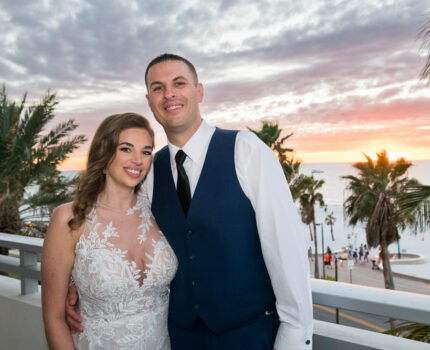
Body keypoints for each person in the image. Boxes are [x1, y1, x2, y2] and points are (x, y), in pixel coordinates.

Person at [67, 54, 313, 349]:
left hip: (249, 335)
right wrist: (80, 282)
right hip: (181, 337)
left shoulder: (245, 151)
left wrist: (294, 339)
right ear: (149, 101)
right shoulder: (148, 171)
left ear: (199, 91)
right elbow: (121, 232)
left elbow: (285, 250)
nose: (169, 93)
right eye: (158, 88)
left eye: (179, 83)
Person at [42, 113, 178, 349]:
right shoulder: (70, 218)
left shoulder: (161, 212)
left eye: (146, 152)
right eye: (126, 149)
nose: (138, 160)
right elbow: (54, 317)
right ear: (104, 154)